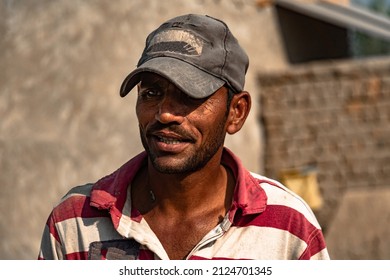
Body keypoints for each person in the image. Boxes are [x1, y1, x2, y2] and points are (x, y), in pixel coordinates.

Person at [38, 14, 330, 260]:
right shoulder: (75, 222)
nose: (165, 114)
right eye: (151, 93)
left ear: (236, 112)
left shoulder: (288, 228)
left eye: (190, 95)